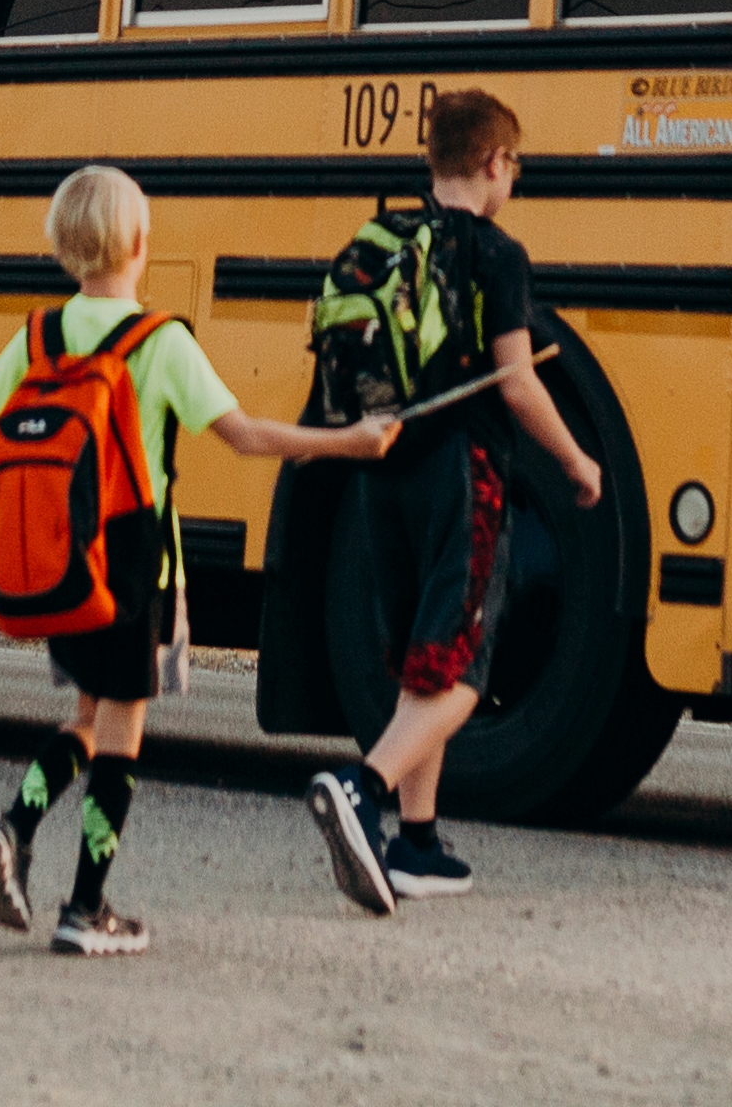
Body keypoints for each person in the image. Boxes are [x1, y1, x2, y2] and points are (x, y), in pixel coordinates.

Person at [0, 165, 386, 956]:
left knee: (84, 718)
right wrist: (346, 442)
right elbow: (244, 435)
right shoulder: (160, 340)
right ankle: (86, 908)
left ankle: (13, 828)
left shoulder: (42, 334)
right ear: (142, 242)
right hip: (137, 565)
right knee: (120, 735)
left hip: (61, 558)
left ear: (63, 247)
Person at [303, 86, 604, 914]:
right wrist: (578, 460)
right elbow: (516, 383)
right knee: (465, 669)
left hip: (384, 470)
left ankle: (418, 844)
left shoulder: (383, 238)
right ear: (494, 163)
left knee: (418, 661)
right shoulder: (495, 254)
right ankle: (361, 787)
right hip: (461, 473)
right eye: (516, 167)